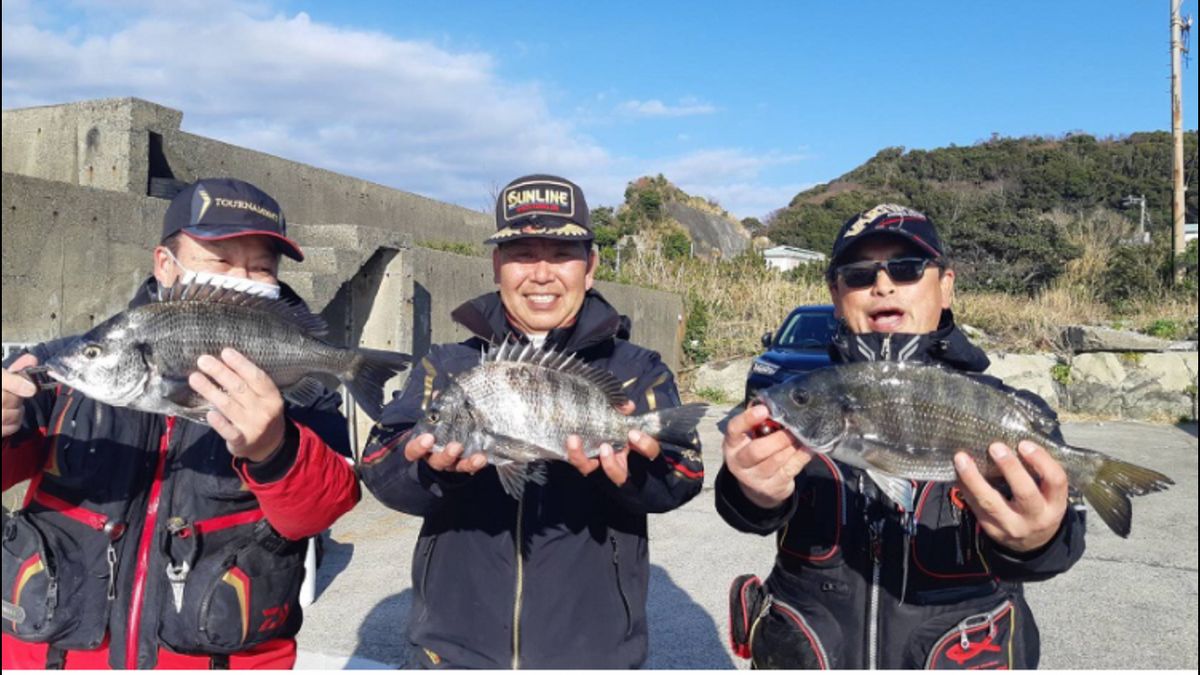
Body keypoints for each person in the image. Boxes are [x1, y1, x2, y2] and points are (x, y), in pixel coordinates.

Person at [1, 178, 361, 669]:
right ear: (165, 265)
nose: (240, 277)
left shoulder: (303, 396)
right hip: (53, 655)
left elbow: (323, 512)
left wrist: (275, 449)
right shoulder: (62, 368)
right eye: (219, 260)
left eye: (260, 267)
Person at [357, 174, 704, 669]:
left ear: (591, 266)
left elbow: (683, 475)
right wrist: (430, 471)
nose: (541, 274)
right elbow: (380, 465)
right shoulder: (447, 365)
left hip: (593, 654)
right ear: (498, 266)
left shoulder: (635, 370)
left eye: (562, 255)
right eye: (522, 253)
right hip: (453, 651)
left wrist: (639, 476)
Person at [718, 204, 1086, 669]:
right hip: (809, 649)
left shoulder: (1015, 411)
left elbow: (1058, 549)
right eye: (858, 274)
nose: (883, 284)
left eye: (908, 268)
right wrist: (750, 490)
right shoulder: (810, 400)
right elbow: (748, 515)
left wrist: (1038, 538)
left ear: (946, 285)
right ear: (836, 293)